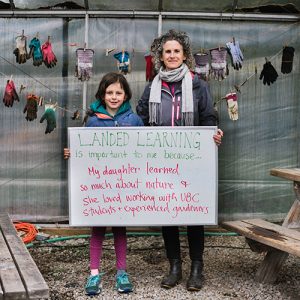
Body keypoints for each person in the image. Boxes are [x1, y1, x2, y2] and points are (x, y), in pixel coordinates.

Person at [136, 29, 223, 292]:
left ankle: (197, 267)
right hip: (161, 162)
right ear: (160, 57)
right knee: (168, 213)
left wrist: (214, 133)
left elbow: (208, 116)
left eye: (176, 51)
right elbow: (140, 116)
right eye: (167, 52)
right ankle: (174, 266)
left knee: (194, 213)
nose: (172, 55)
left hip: (192, 161)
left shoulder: (198, 85)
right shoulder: (152, 87)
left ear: (185, 55)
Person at [64, 72, 144, 296]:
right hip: (99, 186)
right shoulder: (92, 121)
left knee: (120, 228)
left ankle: (121, 272)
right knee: (97, 229)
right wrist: (73, 152)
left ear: (126, 94)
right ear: (102, 94)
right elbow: (83, 151)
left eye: (119, 92)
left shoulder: (135, 121)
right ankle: (94, 273)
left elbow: (145, 152)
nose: (114, 96)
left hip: (124, 184)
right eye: (109, 92)